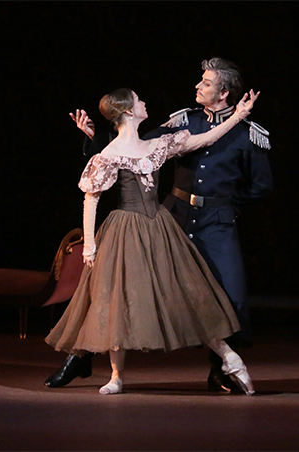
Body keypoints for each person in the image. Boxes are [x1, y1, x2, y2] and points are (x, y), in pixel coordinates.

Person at [45, 58, 273, 393]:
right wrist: (97, 138)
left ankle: (223, 367)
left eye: (206, 83)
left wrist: (238, 120)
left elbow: (251, 178)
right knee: (113, 290)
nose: (198, 86)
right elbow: (125, 147)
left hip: (210, 223)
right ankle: (85, 357)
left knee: (220, 295)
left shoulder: (246, 135)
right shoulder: (181, 122)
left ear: (224, 92)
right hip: (172, 217)